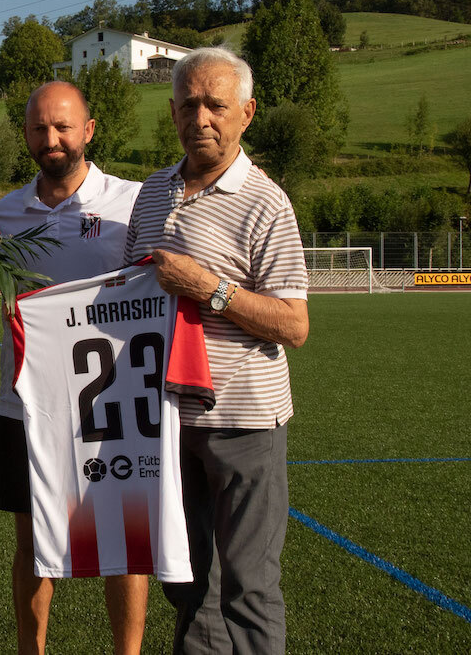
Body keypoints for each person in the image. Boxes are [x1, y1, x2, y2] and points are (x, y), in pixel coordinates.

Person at [124, 47, 309, 654]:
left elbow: (294, 325)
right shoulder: (151, 194)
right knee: (187, 582)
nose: (200, 117)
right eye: (188, 104)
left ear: (247, 113)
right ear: (172, 111)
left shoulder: (266, 201)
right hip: (168, 423)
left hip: (244, 423)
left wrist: (212, 289)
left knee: (249, 588)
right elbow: (128, 298)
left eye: (215, 105)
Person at [0, 81, 147, 655]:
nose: (52, 138)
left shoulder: (131, 202)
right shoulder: (5, 211)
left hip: (110, 405)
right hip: (26, 404)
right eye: (40, 127)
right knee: (32, 542)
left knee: (123, 543)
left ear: (88, 130)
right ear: (25, 134)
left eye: (64, 126)